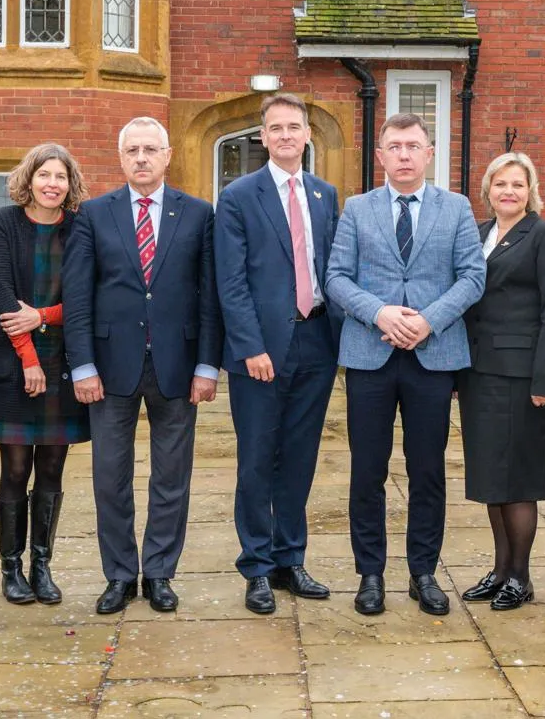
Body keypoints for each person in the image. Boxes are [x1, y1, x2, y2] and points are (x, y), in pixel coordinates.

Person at [325, 112, 486, 617]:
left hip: (432, 356)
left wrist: (428, 321)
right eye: (394, 146)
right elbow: (335, 277)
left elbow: (472, 276)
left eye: (413, 146)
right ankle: (370, 574)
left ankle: (423, 572)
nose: (404, 155)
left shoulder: (456, 208)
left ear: (430, 152)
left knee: (427, 471)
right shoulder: (357, 208)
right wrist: (380, 313)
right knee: (366, 471)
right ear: (380, 155)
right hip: (370, 356)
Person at [62, 117, 222, 615]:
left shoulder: (198, 214)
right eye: (132, 150)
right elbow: (78, 295)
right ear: (121, 156)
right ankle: (118, 574)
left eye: (150, 149)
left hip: (177, 364)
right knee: (110, 477)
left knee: (171, 476)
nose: (141, 158)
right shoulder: (93, 214)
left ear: (168, 155)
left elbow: (209, 298)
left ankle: (159, 573)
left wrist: (208, 366)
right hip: (110, 368)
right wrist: (82, 365)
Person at [215, 94, 341, 615]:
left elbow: (333, 269)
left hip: (316, 342)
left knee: (300, 458)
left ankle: (291, 559)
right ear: (261, 137)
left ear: (307, 135)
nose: (286, 135)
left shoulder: (324, 194)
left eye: (294, 127)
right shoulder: (239, 196)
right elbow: (232, 281)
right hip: (261, 351)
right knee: (257, 460)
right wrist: (250, 347)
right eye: (276, 128)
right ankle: (257, 566)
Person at [458, 153, 545, 610]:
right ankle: (500, 569)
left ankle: (520, 577)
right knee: (491, 476)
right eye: (500, 184)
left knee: (519, 477)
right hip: (479, 372)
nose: (509, 192)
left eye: (517, 185)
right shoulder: (480, 234)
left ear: (531, 191)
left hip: (524, 376)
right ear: (488, 189)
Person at [0, 144, 90, 605]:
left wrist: (42, 317)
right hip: (12, 364)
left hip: (63, 364)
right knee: (16, 467)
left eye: (60, 177)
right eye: (44, 175)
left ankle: (42, 566)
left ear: (70, 184)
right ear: (29, 178)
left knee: (51, 467)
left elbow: (86, 299)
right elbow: (4, 297)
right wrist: (28, 358)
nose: (51, 184)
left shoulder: (79, 227)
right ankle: (11, 569)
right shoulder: (6, 223)